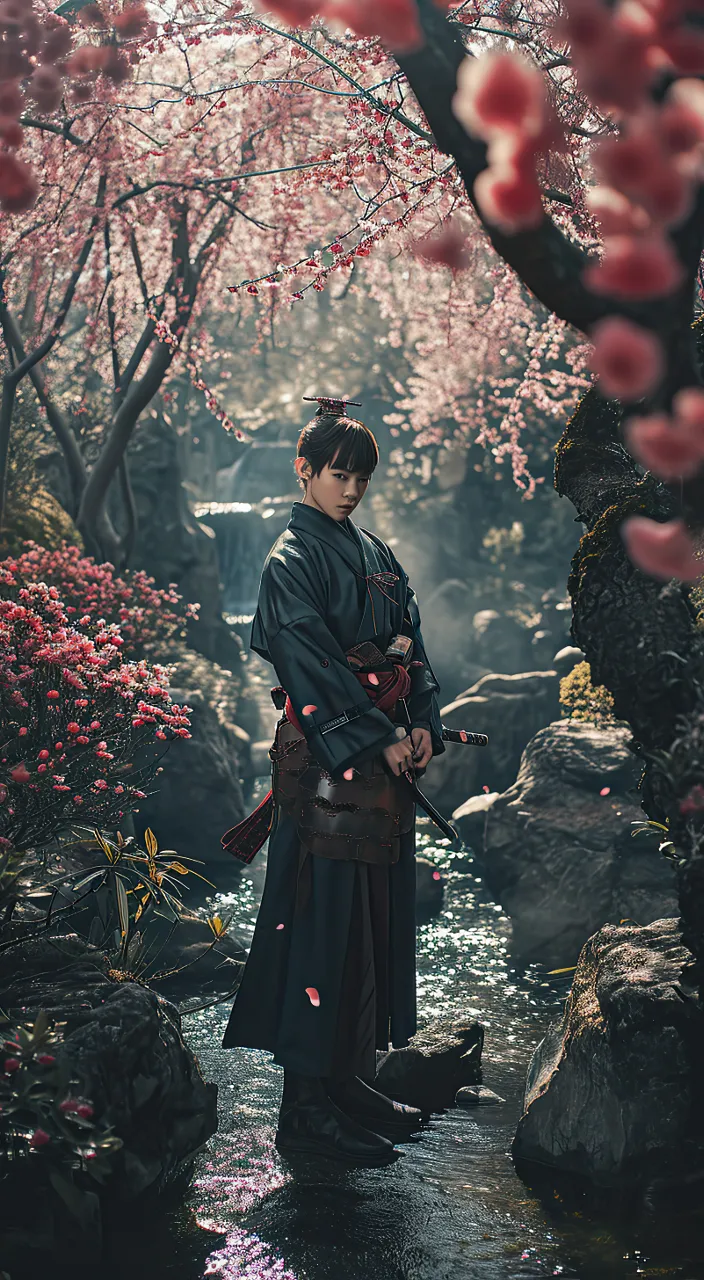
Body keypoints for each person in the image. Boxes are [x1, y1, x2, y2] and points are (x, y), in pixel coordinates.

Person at [221, 396, 444, 1167]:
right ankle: (305, 1110)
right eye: (337, 474)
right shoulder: (291, 560)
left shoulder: (377, 551)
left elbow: (414, 649)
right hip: (322, 772)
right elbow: (305, 660)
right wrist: (378, 732)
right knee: (317, 925)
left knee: (371, 922)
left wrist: (422, 723)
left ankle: (349, 1080)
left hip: (377, 768)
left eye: (361, 477)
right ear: (305, 471)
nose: (350, 490)